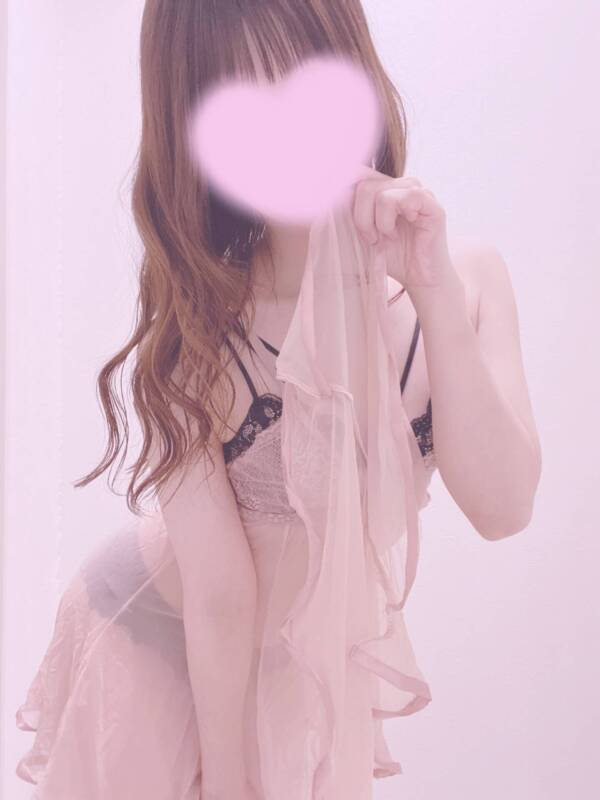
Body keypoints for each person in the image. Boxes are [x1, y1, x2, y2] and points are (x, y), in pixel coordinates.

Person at [14, 2, 541, 799]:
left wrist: (429, 289)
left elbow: (503, 508)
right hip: (150, 640)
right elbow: (222, 599)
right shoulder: (203, 327)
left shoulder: (465, 279)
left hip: (293, 666)